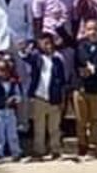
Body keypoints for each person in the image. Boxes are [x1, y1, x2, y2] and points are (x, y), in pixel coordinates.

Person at [25, 32, 70, 161]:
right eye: (44, 43)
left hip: (54, 97)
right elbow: (26, 57)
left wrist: (61, 97)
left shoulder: (58, 60)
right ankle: (39, 150)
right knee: (39, 126)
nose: (47, 46)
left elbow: (61, 80)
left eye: (49, 43)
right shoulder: (37, 58)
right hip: (39, 96)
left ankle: (55, 149)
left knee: (54, 127)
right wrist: (25, 49)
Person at [72, 18, 97, 160]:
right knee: (81, 119)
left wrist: (95, 69)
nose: (92, 32)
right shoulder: (80, 45)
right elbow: (76, 63)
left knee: (95, 119)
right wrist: (82, 72)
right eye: (89, 29)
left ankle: (93, 146)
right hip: (81, 87)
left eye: (95, 29)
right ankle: (82, 145)